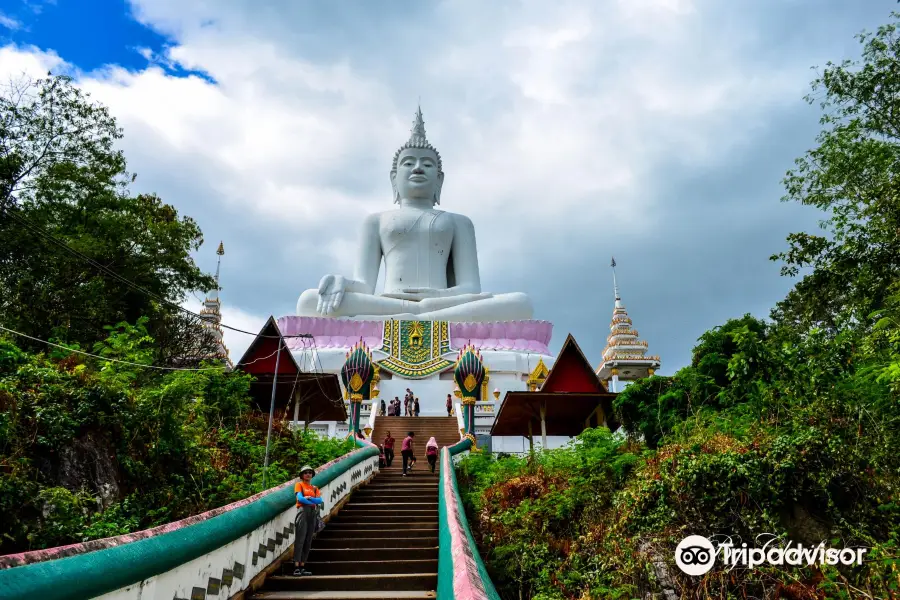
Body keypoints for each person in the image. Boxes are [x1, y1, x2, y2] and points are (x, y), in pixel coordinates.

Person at [293, 465, 323, 576]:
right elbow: (300, 498)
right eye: (305, 472)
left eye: (310, 472)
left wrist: (309, 499)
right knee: (300, 538)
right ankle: (296, 566)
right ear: (302, 475)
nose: (308, 474)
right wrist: (312, 501)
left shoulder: (315, 488)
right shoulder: (299, 485)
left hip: (312, 513)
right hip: (303, 511)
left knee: (308, 539)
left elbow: (319, 500)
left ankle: (302, 565)